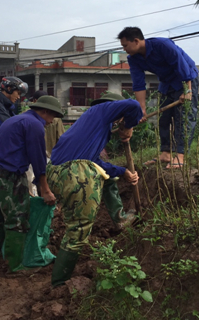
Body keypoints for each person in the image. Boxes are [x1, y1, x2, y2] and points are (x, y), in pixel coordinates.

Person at [47, 92, 141, 286]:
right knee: (79, 230)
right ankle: (59, 283)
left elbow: (94, 162)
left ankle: (120, 219)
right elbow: (134, 105)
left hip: (58, 172)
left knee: (108, 177)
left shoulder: (93, 124)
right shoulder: (102, 111)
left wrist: (123, 171)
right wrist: (129, 127)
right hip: (74, 171)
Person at [0, 95, 62, 272]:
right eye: (52, 117)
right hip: (7, 174)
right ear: (45, 111)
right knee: (17, 219)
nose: (51, 122)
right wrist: (45, 189)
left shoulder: (17, 119)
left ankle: (1, 255)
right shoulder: (34, 125)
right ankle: (15, 265)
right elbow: (39, 159)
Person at [118, 26, 199, 168]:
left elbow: (182, 65)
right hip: (166, 81)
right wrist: (141, 109)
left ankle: (180, 155)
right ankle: (166, 153)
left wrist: (187, 90)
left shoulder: (162, 45)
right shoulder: (134, 59)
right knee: (164, 117)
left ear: (136, 41)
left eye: (125, 45)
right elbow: (138, 83)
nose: (124, 49)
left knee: (183, 116)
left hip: (185, 78)